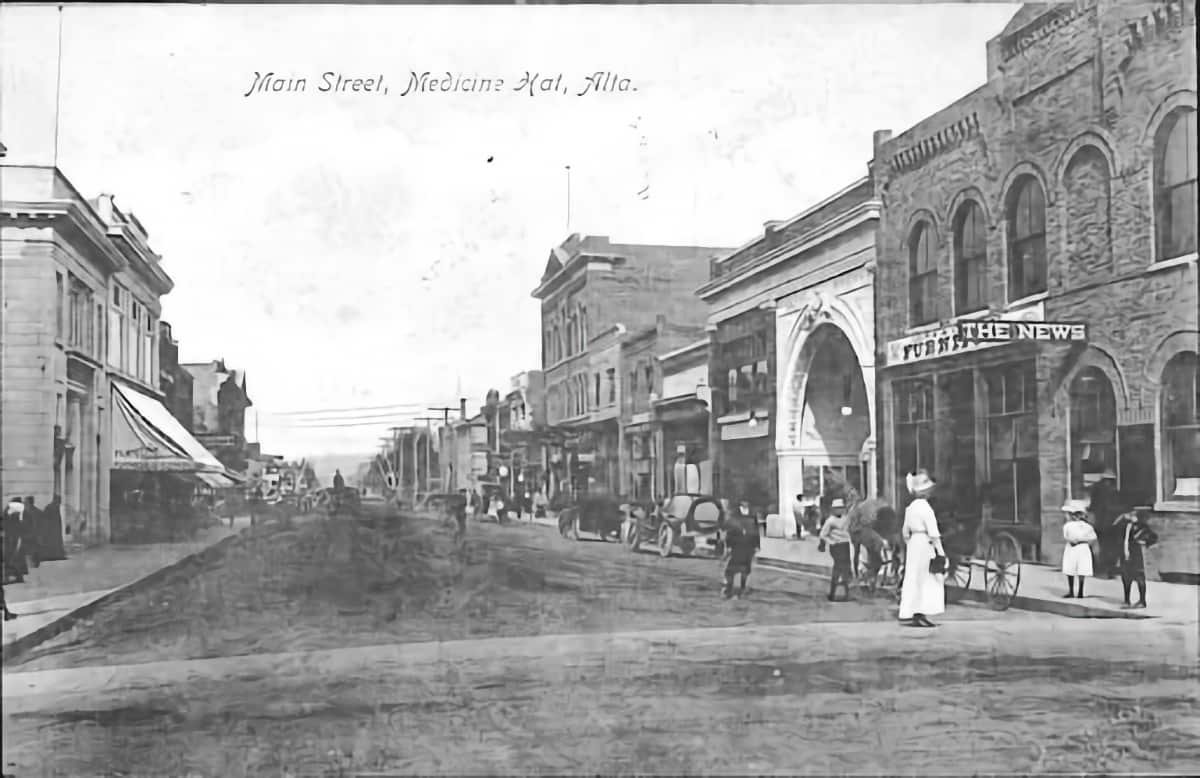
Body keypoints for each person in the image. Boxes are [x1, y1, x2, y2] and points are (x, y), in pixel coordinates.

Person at [898, 470, 946, 628]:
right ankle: (922, 611)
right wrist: (940, 551)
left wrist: (910, 544)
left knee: (914, 577)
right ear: (926, 493)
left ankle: (914, 611)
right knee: (927, 578)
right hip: (925, 542)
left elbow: (905, 532)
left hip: (914, 544)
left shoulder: (910, 508)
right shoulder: (926, 509)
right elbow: (934, 533)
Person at [1115, 506, 1158, 609]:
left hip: (1135, 553)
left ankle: (1142, 601)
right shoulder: (1124, 525)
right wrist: (1121, 517)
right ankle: (1127, 600)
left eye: (1132, 514)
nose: (1130, 516)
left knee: (1139, 575)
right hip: (1124, 554)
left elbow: (1153, 537)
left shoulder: (1141, 526)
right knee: (1126, 577)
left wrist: (1145, 542)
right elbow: (1114, 527)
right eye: (1129, 514)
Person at [1087, 470, 1122, 578]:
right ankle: (1107, 570)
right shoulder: (1113, 490)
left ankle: (1102, 570)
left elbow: (1092, 506)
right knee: (1110, 547)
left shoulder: (1096, 488)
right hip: (1111, 524)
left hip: (1100, 523)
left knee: (1102, 547)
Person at [1060, 499, 1097, 598]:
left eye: (1077, 514)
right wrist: (1071, 540)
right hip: (1071, 547)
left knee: (1082, 569)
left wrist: (1083, 540)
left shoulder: (1087, 527)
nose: (1075, 517)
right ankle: (1071, 591)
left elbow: (1093, 537)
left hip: (1082, 548)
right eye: (1072, 514)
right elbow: (1066, 536)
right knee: (1069, 569)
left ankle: (1080, 591)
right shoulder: (1068, 525)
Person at [819, 498, 853, 601]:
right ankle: (832, 593)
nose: (839, 510)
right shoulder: (830, 521)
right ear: (833, 510)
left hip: (845, 545)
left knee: (846, 569)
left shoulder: (846, 519)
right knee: (838, 569)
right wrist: (831, 542)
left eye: (841, 508)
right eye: (837, 508)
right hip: (836, 546)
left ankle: (847, 594)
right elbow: (823, 535)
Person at [722, 511, 760, 599]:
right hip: (743, 550)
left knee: (733, 571)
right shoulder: (745, 525)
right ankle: (736, 589)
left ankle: (732, 590)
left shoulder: (740, 525)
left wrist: (727, 551)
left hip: (742, 551)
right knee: (739, 570)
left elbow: (729, 538)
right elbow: (729, 536)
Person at [3, 497, 28, 584]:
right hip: (16, 537)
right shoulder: (20, 510)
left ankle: (15, 576)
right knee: (16, 557)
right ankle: (18, 576)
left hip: (12, 537)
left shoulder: (11, 509)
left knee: (11, 556)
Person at [38, 495, 67, 561]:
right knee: (53, 542)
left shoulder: (54, 507)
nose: (59, 502)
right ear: (55, 500)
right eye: (59, 500)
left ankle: (54, 555)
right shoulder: (51, 507)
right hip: (51, 530)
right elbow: (46, 520)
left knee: (54, 542)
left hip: (54, 529)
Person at [22, 497, 43, 569]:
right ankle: (34, 566)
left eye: (25, 502)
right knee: (34, 555)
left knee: (32, 554)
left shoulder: (30, 513)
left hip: (32, 538)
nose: (24, 504)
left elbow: (35, 526)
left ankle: (33, 567)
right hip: (35, 538)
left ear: (29, 503)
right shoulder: (38, 511)